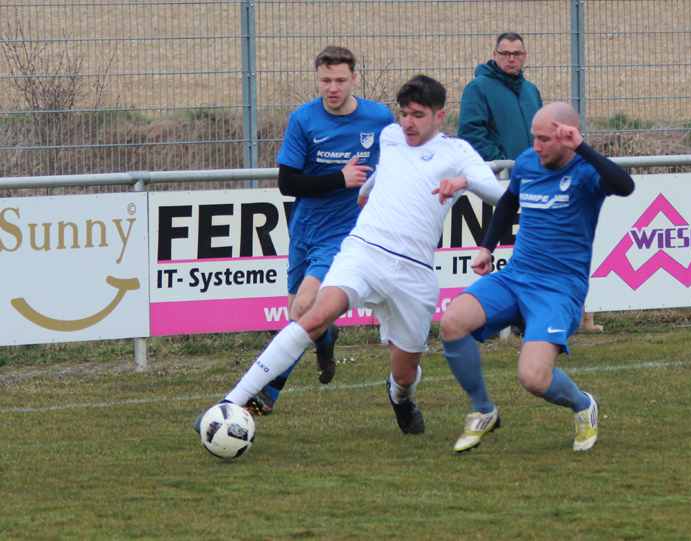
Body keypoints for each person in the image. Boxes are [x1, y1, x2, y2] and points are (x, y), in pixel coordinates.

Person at [196, 75, 505, 435]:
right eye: (404, 113)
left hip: (415, 274)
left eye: (418, 115)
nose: (408, 123)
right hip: (364, 252)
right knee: (314, 316)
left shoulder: (458, 153)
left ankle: (400, 397)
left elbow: (500, 195)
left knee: (405, 374)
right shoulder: (390, 137)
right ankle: (229, 404)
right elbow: (387, 169)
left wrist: (464, 182)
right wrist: (367, 190)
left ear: (440, 116)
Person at [439, 102, 635, 453]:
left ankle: (583, 404)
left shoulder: (585, 172)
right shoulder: (528, 162)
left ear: (568, 138)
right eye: (534, 137)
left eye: (544, 139)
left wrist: (583, 148)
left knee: (532, 378)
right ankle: (483, 410)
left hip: (559, 289)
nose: (536, 146)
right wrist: (486, 247)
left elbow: (625, 186)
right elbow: (508, 203)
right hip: (515, 276)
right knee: (452, 323)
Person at [244, 46, 395, 415]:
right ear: (317, 78)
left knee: (304, 307)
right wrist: (339, 178)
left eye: (340, 80)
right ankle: (326, 339)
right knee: (298, 313)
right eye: (326, 80)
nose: (333, 88)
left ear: (354, 79)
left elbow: (395, 165)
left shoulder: (379, 118)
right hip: (305, 228)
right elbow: (287, 183)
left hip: (345, 233)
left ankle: (268, 392)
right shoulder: (303, 119)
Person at [458, 32, 543, 161]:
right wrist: (502, 163)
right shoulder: (478, 88)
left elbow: (542, 133)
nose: (511, 59)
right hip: (499, 171)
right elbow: (470, 134)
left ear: (524, 55)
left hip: (531, 169)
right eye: (505, 54)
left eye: (517, 54)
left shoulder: (531, 90)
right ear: (495, 55)